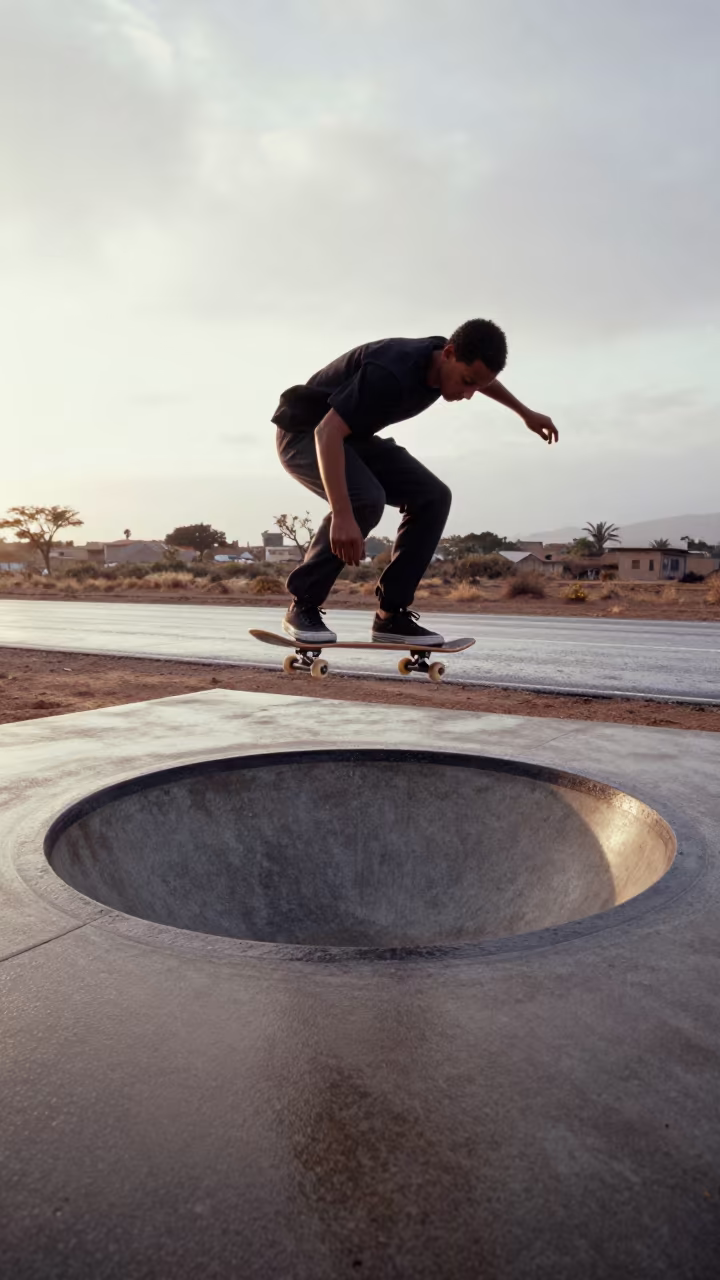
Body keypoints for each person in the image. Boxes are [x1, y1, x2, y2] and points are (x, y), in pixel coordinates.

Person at [271, 318, 558, 645]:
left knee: (433, 496)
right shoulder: (391, 371)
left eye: (476, 387)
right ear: (449, 354)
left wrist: (525, 412)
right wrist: (343, 514)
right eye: (466, 382)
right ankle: (303, 604)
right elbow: (327, 432)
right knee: (364, 499)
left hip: (351, 439)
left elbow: (482, 378)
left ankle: (390, 615)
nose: (468, 394)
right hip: (305, 434)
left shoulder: (448, 358)